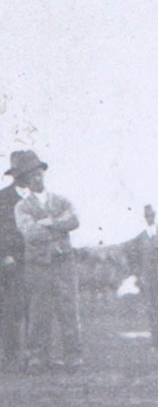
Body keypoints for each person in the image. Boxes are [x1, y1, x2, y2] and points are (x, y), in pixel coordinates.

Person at [12, 150, 82, 373]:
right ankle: (37, 357)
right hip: (39, 267)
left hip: (63, 264)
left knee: (68, 309)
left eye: (39, 172)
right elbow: (30, 232)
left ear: (43, 173)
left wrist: (48, 222)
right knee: (38, 312)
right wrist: (57, 226)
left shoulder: (61, 200)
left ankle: (73, 356)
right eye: (31, 175)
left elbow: (73, 220)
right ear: (24, 180)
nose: (36, 177)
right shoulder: (22, 207)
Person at [124, 204, 158, 349]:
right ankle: (157, 341)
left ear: (155, 215)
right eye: (146, 215)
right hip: (148, 279)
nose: (149, 217)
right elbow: (132, 256)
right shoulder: (140, 238)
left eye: (151, 215)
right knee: (153, 309)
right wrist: (138, 274)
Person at [0, 154, 31, 370]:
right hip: (11, 262)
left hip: (35, 260)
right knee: (11, 307)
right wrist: (4, 256)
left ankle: (35, 352)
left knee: (35, 307)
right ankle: (10, 352)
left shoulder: (39, 199)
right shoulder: (2, 198)